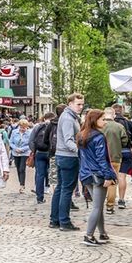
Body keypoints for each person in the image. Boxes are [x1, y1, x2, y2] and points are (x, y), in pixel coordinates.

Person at [77, 108, 117, 246]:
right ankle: (88, 235)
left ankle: (102, 233)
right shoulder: (98, 137)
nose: (105, 122)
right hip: (97, 175)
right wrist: (108, 176)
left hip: (86, 174)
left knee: (97, 205)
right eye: (102, 119)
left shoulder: (82, 134)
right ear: (95, 120)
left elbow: (81, 157)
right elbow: (102, 159)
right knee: (97, 207)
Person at [50, 93, 84, 231]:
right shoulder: (68, 118)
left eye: (82, 104)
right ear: (70, 104)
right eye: (78, 104)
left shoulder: (68, 116)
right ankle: (64, 221)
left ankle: (55, 219)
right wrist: (79, 152)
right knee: (66, 190)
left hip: (62, 155)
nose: (81, 107)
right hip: (68, 157)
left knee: (60, 188)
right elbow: (68, 140)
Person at [101, 106, 129, 214]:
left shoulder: (100, 126)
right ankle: (110, 206)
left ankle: (98, 204)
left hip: (101, 158)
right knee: (112, 182)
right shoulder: (119, 126)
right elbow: (125, 141)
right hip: (115, 157)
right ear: (114, 115)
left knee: (100, 181)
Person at [113, 104, 132, 209]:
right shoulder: (129, 123)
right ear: (122, 111)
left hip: (112, 153)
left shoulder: (108, 123)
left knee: (112, 176)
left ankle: (111, 199)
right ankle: (121, 200)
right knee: (122, 177)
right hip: (126, 151)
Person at [29, 112, 55, 203]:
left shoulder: (38, 127)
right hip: (51, 153)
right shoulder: (54, 126)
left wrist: (34, 151)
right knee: (53, 175)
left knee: (40, 175)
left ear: (44, 118)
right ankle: (55, 196)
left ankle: (39, 197)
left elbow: (31, 140)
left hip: (39, 153)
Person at [9, 118, 32, 193]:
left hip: (24, 153)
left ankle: (22, 185)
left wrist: (22, 149)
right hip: (15, 152)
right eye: (21, 127)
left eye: (24, 127)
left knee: (22, 168)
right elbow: (11, 142)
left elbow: (30, 144)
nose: (23, 129)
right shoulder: (14, 132)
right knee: (18, 168)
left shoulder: (29, 133)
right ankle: (20, 183)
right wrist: (15, 148)